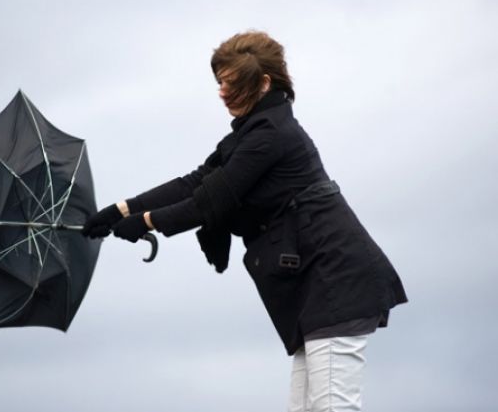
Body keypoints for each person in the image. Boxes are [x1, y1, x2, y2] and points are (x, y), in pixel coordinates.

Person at [82, 30, 408, 412]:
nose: (221, 92)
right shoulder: (250, 134)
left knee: (333, 408)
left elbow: (209, 201)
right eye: (219, 82)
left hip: (336, 282)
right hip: (315, 288)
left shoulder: (271, 135)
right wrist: (122, 210)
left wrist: (146, 222)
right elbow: (197, 181)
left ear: (264, 83)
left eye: (231, 83)